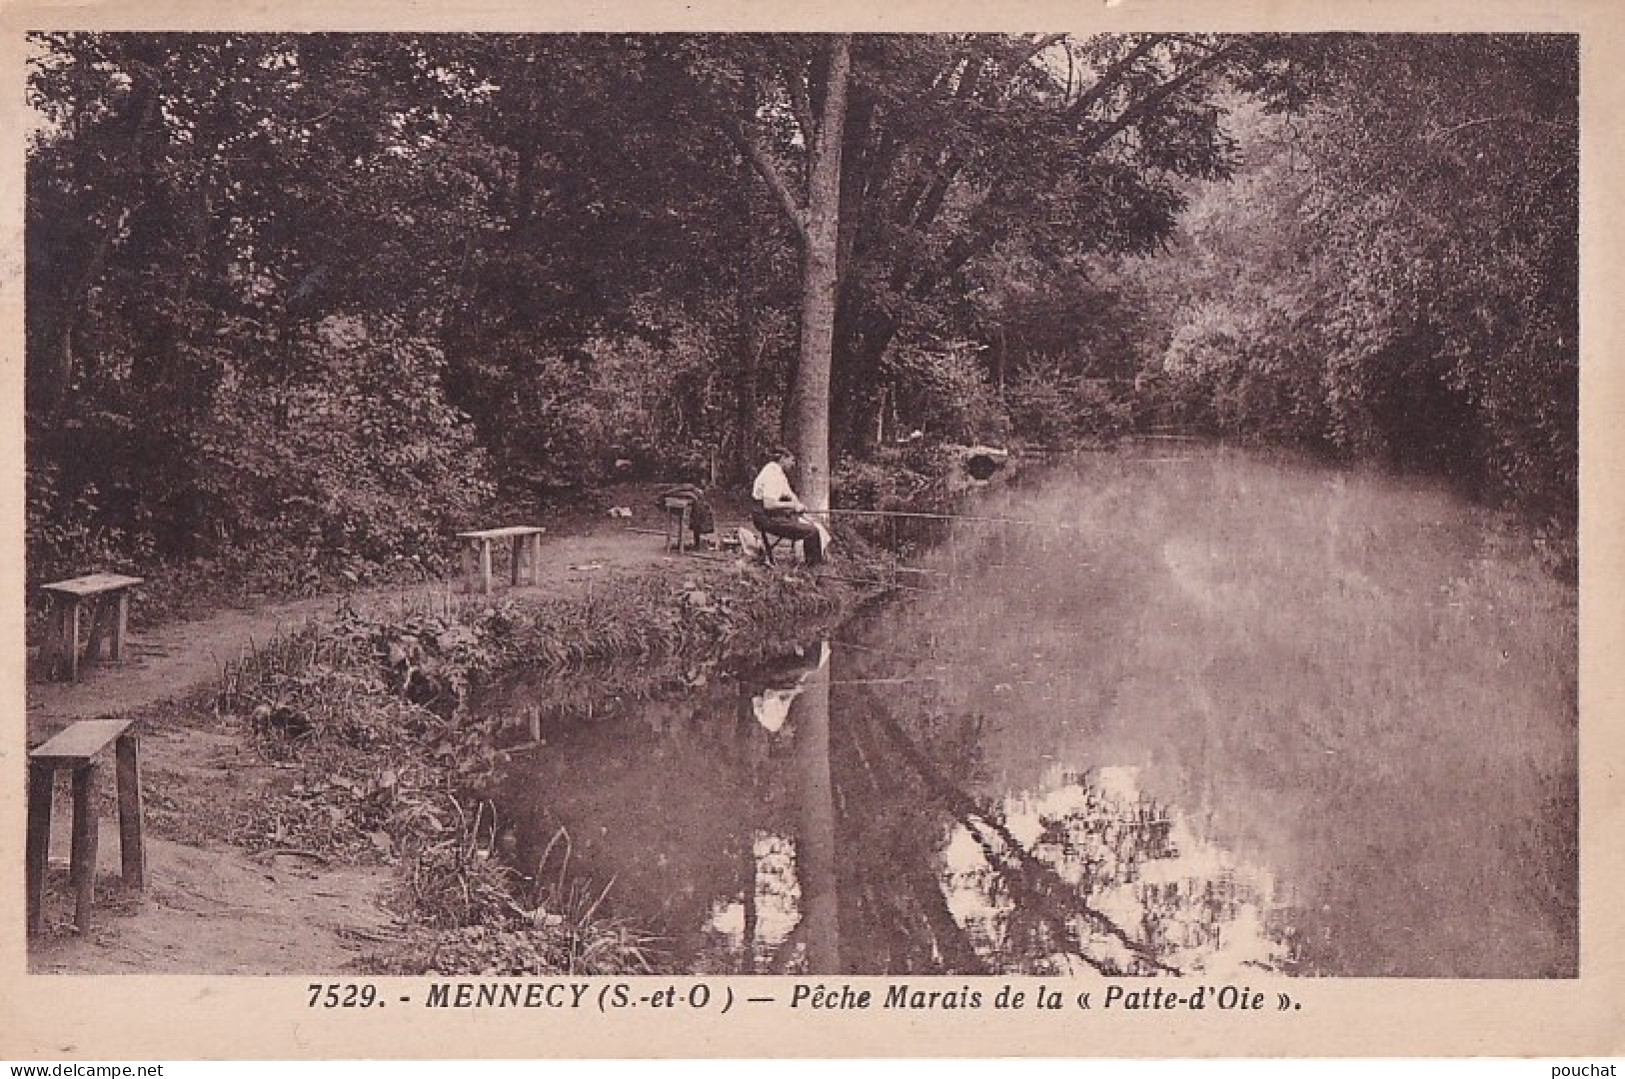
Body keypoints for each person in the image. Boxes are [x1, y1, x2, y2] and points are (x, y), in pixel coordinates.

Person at [750, 447, 824, 567]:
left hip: (774, 515)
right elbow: (769, 505)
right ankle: (813, 568)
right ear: (783, 458)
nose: (793, 464)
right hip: (765, 519)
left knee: (815, 525)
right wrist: (793, 506)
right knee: (811, 532)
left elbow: (789, 494)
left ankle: (816, 564)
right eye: (792, 460)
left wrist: (799, 506)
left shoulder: (779, 473)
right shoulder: (771, 474)